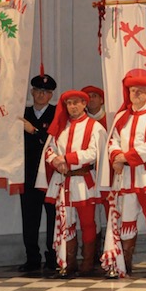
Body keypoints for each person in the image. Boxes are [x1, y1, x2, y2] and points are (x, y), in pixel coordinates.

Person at [103, 71, 146, 278]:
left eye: (141, 91)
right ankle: (126, 264)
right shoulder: (122, 117)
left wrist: (125, 157)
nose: (136, 94)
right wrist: (116, 156)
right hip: (125, 177)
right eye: (133, 90)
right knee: (127, 219)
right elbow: (112, 140)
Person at [37, 90, 106, 278]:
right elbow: (49, 149)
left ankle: (88, 263)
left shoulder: (95, 127)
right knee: (66, 221)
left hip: (84, 181)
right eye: (69, 103)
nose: (73, 106)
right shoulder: (60, 126)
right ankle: (69, 263)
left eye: (76, 102)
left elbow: (94, 153)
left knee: (87, 222)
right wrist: (55, 161)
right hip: (63, 181)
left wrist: (67, 158)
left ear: (84, 104)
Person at [19, 74, 57, 272]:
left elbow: (55, 140)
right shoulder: (22, 113)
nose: (42, 95)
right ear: (32, 92)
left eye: (46, 92)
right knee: (29, 217)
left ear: (51, 95)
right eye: (38, 91)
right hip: (27, 174)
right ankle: (32, 257)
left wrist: (34, 131)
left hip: (50, 174)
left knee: (53, 216)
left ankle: (53, 256)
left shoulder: (57, 114)